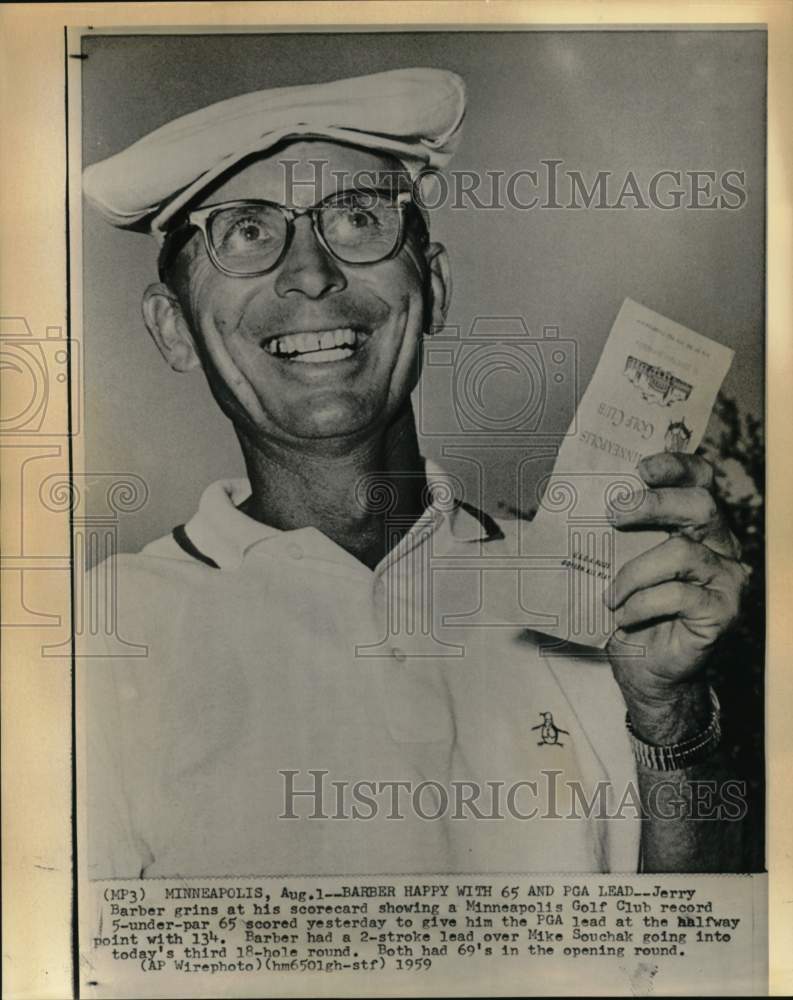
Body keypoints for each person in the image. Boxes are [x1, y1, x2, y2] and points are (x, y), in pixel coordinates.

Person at [81, 68, 748, 879]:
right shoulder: (97, 638)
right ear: (174, 327)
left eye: (357, 218)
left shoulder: (602, 591)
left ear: (431, 288)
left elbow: (693, 962)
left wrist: (670, 718)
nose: (313, 274)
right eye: (245, 231)